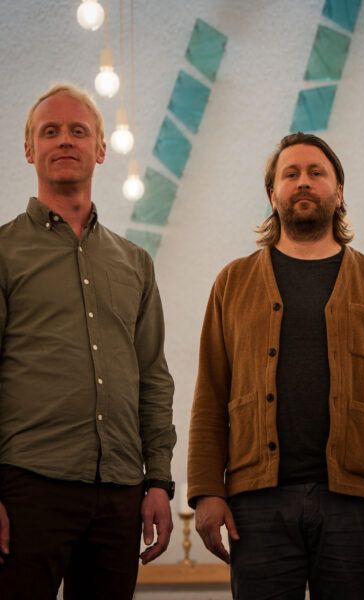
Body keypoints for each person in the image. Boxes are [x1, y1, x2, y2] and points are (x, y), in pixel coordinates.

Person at [187, 132, 364, 600]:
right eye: (290, 174)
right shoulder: (232, 283)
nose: (304, 182)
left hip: (353, 504)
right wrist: (207, 490)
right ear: (272, 194)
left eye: (317, 172)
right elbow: (210, 394)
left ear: (339, 191)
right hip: (256, 504)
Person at [0, 84, 177, 600]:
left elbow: (153, 378)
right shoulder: (4, 252)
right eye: (50, 131)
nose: (65, 140)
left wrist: (158, 481)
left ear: (100, 148)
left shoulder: (135, 263)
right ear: (29, 149)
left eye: (78, 131)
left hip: (120, 492)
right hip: (27, 485)